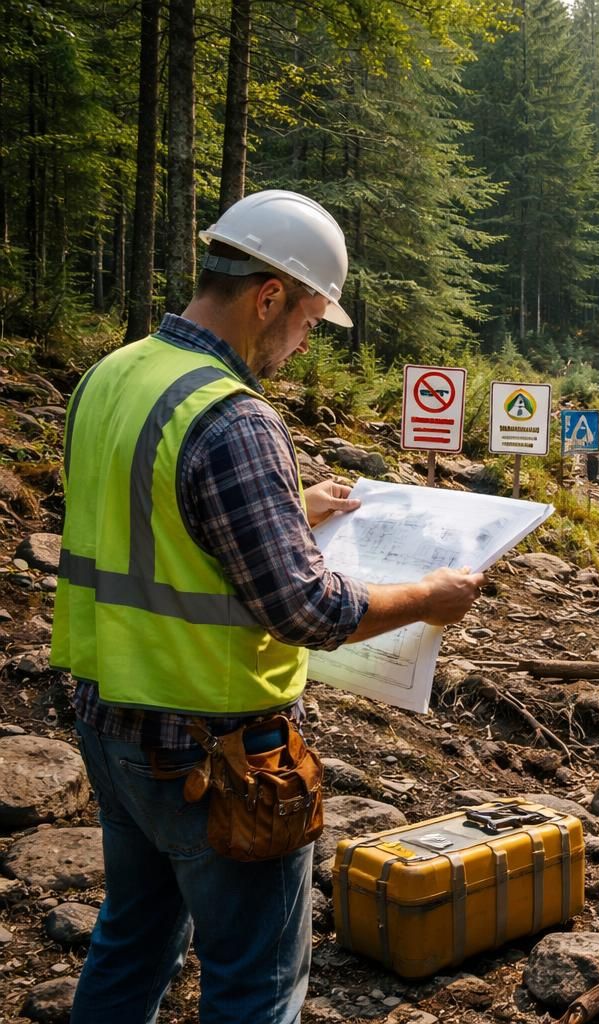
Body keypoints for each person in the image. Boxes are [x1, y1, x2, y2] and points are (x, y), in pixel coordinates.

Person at [51, 189, 487, 1024]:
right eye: (311, 320)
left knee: (132, 941)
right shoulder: (235, 417)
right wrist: (431, 597)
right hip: (217, 753)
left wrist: (291, 505)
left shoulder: (114, 374)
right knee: (253, 985)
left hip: (111, 726)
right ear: (268, 297)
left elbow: (145, 513)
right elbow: (308, 610)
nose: (303, 341)